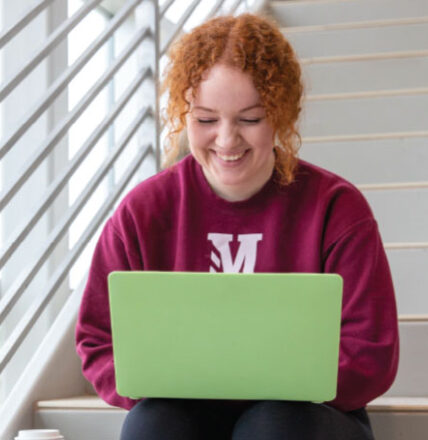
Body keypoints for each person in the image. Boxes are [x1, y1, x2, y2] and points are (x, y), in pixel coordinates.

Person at [75, 13, 399, 440]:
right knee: (153, 426)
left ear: (280, 115)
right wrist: (170, 381)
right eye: (206, 120)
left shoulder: (336, 209)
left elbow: (371, 351)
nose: (227, 141)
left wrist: (274, 383)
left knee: (272, 426)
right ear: (182, 115)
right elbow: (99, 339)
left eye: (250, 119)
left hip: (305, 417)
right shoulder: (143, 212)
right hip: (185, 411)